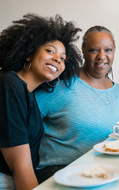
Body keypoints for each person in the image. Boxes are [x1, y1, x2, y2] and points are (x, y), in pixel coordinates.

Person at [35, 26, 119, 183]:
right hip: (59, 171)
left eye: (108, 50)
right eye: (94, 50)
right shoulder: (60, 84)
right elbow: (20, 120)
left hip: (103, 171)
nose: (102, 56)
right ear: (83, 50)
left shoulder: (118, 92)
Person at [0, 14, 82, 190]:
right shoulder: (10, 84)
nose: (58, 59)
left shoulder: (29, 94)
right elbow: (21, 167)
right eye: (50, 51)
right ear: (29, 54)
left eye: (63, 58)